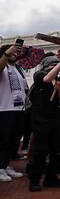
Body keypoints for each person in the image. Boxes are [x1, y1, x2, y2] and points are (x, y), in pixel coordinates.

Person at [28, 55, 60, 191]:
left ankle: (51, 177)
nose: (56, 69)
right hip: (41, 119)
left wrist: (59, 88)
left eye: (57, 66)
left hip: (55, 119)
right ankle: (34, 179)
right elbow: (47, 78)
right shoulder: (39, 75)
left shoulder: (58, 80)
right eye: (54, 66)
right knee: (40, 150)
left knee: (58, 150)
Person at [0, 44, 27, 182]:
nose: (15, 53)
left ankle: (6, 165)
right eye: (12, 51)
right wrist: (5, 55)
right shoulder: (2, 66)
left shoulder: (18, 69)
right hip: (4, 109)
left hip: (19, 109)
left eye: (17, 52)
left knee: (14, 140)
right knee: (3, 140)